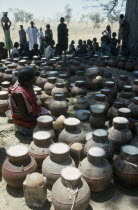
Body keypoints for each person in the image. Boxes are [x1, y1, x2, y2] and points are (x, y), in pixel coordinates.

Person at [9, 68, 50, 136]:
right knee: (47, 128)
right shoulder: (19, 94)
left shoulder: (24, 83)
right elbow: (24, 116)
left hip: (30, 116)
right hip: (24, 125)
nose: (35, 79)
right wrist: (41, 120)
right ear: (26, 80)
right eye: (33, 78)